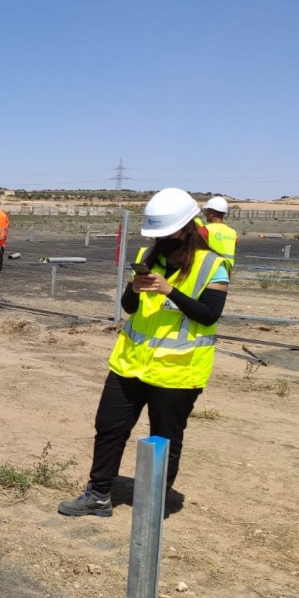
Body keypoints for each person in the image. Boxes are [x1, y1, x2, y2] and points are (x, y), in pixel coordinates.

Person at [58, 187, 229, 518]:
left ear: (185, 228)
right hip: (129, 365)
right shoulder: (150, 257)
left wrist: (171, 290)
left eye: (165, 234)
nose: (160, 241)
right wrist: (134, 290)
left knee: (164, 439)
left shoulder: (213, 266)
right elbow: (128, 309)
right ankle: (98, 495)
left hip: (178, 373)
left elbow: (209, 315)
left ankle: (152, 505)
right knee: (109, 427)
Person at [201, 196, 237, 272]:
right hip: (227, 271)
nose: (205, 214)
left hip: (209, 271)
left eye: (207, 211)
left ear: (212, 213)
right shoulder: (233, 232)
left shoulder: (205, 230)